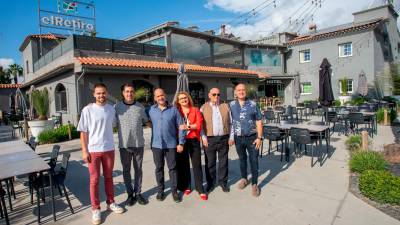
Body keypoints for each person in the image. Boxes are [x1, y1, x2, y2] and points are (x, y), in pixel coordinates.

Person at [77, 83, 124, 225]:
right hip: (93, 150)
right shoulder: (88, 110)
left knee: (109, 177)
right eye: (98, 93)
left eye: (103, 93)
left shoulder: (111, 109)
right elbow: (83, 132)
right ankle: (96, 209)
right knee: (95, 179)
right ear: (94, 94)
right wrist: (84, 151)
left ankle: (111, 202)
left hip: (109, 149)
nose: (101, 96)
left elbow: (116, 125)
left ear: (106, 93)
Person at [115, 83, 150, 206]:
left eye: (131, 91)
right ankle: (130, 194)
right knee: (126, 171)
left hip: (138, 144)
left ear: (134, 93)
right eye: (127, 91)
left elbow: (147, 121)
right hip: (124, 145)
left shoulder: (140, 107)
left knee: (138, 170)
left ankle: (138, 193)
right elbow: (111, 123)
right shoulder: (117, 107)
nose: (129, 93)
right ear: (123, 93)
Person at [148, 88, 185, 203]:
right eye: (158, 96)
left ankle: (174, 191)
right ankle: (161, 191)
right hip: (156, 145)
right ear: (155, 98)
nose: (160, 98)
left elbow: (181, 126)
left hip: (171, 144)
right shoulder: (150, 110)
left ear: (165, 95)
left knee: (172, 168)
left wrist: (181, 142)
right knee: (159, 168)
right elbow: (144, 119)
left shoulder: (173, 110)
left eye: (162, 95)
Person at [229, 83, 263, 197]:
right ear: (235, 92)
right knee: (242, 160)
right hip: (238, 138)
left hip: (252, 138)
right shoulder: (231, 105)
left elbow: (259, 121)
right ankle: (244, 179)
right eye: (239, 90)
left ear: (246, 91)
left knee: (254, 161)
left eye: (243, 90)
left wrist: (259, 137)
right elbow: (230, 122)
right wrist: (231, 137)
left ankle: (254, 184)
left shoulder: (253, 104)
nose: (241, 92)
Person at [175, 91, 207, 201]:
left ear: (188, 98)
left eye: (185, 97)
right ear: (178, 101)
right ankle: (186, 186)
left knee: (197, 165)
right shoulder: (177, 111)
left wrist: (187, 127)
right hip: (181, 141)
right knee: (184, 165)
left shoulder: (195, 110)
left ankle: (200, 189)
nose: (184, 99)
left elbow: (199, 125)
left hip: (193, 140)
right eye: (181, 99)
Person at [201, 88, 231, 193]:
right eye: (214, 94)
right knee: (210, 163)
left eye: (218, 94)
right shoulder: (203, 107)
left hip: (224, 138)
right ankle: (210, 183)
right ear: (209, 95)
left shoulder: (225, 106)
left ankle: (223, 182)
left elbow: (231, 123)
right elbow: (200, 126)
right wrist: (203, 137)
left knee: (223, 162)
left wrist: (231, 137)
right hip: (210, 139)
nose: (216, 96)